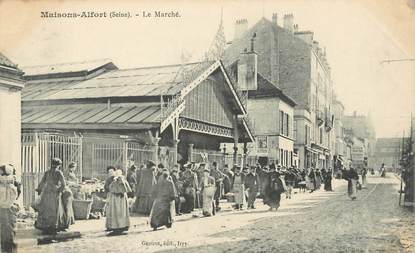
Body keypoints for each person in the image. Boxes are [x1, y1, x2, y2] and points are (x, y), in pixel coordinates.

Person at [35, 158, 75, 234]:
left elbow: (42, 182)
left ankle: (45, 225)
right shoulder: (58, 173)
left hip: (47, 192)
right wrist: (59, 190)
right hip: (54, 192)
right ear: (58, 165)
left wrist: (39, 190)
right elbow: (63, 184)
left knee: (46, 208)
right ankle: (55, 225)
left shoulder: (47, 172)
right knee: (56, 209)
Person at [0, 164, 21, 253]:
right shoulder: (15, 182)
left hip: (5, 208)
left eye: (2, 172)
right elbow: (18, 194)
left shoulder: (11, 183)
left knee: (6, 229)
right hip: (9, 208)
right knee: (9, 229)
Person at [104, 167, 131, 235]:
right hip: (113, 198)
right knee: (114, 212)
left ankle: (122, 226)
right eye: (109, 172)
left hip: (120, 198)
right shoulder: (109, 180)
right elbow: (106, 187)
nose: (111, 173)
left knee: (121, 212)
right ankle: (113, 226)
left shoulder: (121, 178)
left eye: (112, 171)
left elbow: (126, 188)